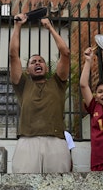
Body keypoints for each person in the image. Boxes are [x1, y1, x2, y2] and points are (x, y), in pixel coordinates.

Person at [9, 14, 71, 173]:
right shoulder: (23, 85)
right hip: (27, 142)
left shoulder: (58, 82)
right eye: (33, 62)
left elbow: (65, 53)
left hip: (56, 142)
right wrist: (17, 26)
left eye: (40, 61)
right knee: (23, 188)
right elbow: (13, 55)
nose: (37, 63)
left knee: (58, 189)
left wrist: (50, 27)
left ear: (46, 67)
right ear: (27, 69)